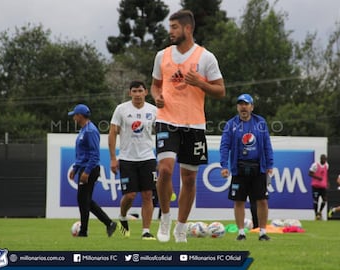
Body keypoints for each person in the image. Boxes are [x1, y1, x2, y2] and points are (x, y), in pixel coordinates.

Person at [150, 9, 226, 243]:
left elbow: (221, 91)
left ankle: (181, 228)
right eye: (169, 27)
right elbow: (155, 85)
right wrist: (156, 97)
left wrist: (200, 83)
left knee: (189, 179)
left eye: (174, 27)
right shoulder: (162, 55)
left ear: (188, 29)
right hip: (167, 120)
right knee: (164, 169)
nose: (170, 32)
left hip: (194, 124)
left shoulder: (206, 57)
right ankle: (164, 218)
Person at [220, 94, 273, 241]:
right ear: (237, 107)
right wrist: (224, 165)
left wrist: (270, 164)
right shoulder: (231, 125)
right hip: (239, 168)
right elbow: (224, 146)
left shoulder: (260, 122)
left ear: (252, 107)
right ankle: (241, 232)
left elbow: (267, 144)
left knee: (262, 200)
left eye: (246, 104)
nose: (243, 107)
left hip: (258, 168)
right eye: (240, 104)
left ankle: (262, 232)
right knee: (239, 201)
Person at [109, 80, 157, 240]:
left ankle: (146, 231)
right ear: (130, 93)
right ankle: (123, 217)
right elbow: (112, 133)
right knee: (130, 195)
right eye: (134, 91)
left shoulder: (153, 110)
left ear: (146, 93)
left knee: (147, 194)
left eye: (140, 91)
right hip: (127, 158)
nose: (137, 94)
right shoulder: (121, 109)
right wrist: (113, 158)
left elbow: (163, 132)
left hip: (148, 157)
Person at [68, 104, 117, 237]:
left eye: (74, 115)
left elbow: (94, 154)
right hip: (84, 167)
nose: (73, 118)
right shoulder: (84, 130)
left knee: (83, 200)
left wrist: (86, 171)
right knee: (85, 200)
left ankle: (84, 231)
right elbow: (82, 153)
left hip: (90, 168)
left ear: (80, 116)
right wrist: (76, 168)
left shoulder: (90, 131)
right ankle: (109, 223)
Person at [308, 154, 329, 220]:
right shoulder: (315, 165)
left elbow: (325, 174)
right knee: (315, 201)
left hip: (323, 186)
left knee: (325, 200)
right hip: (316, 186)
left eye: (325, 159)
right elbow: (309, 173)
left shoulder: (327, 165)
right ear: (320, 159)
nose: (324, 161)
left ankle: (320, 212)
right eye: (323, 159)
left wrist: (327, 182)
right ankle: (316, 214)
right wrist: (317, 177)